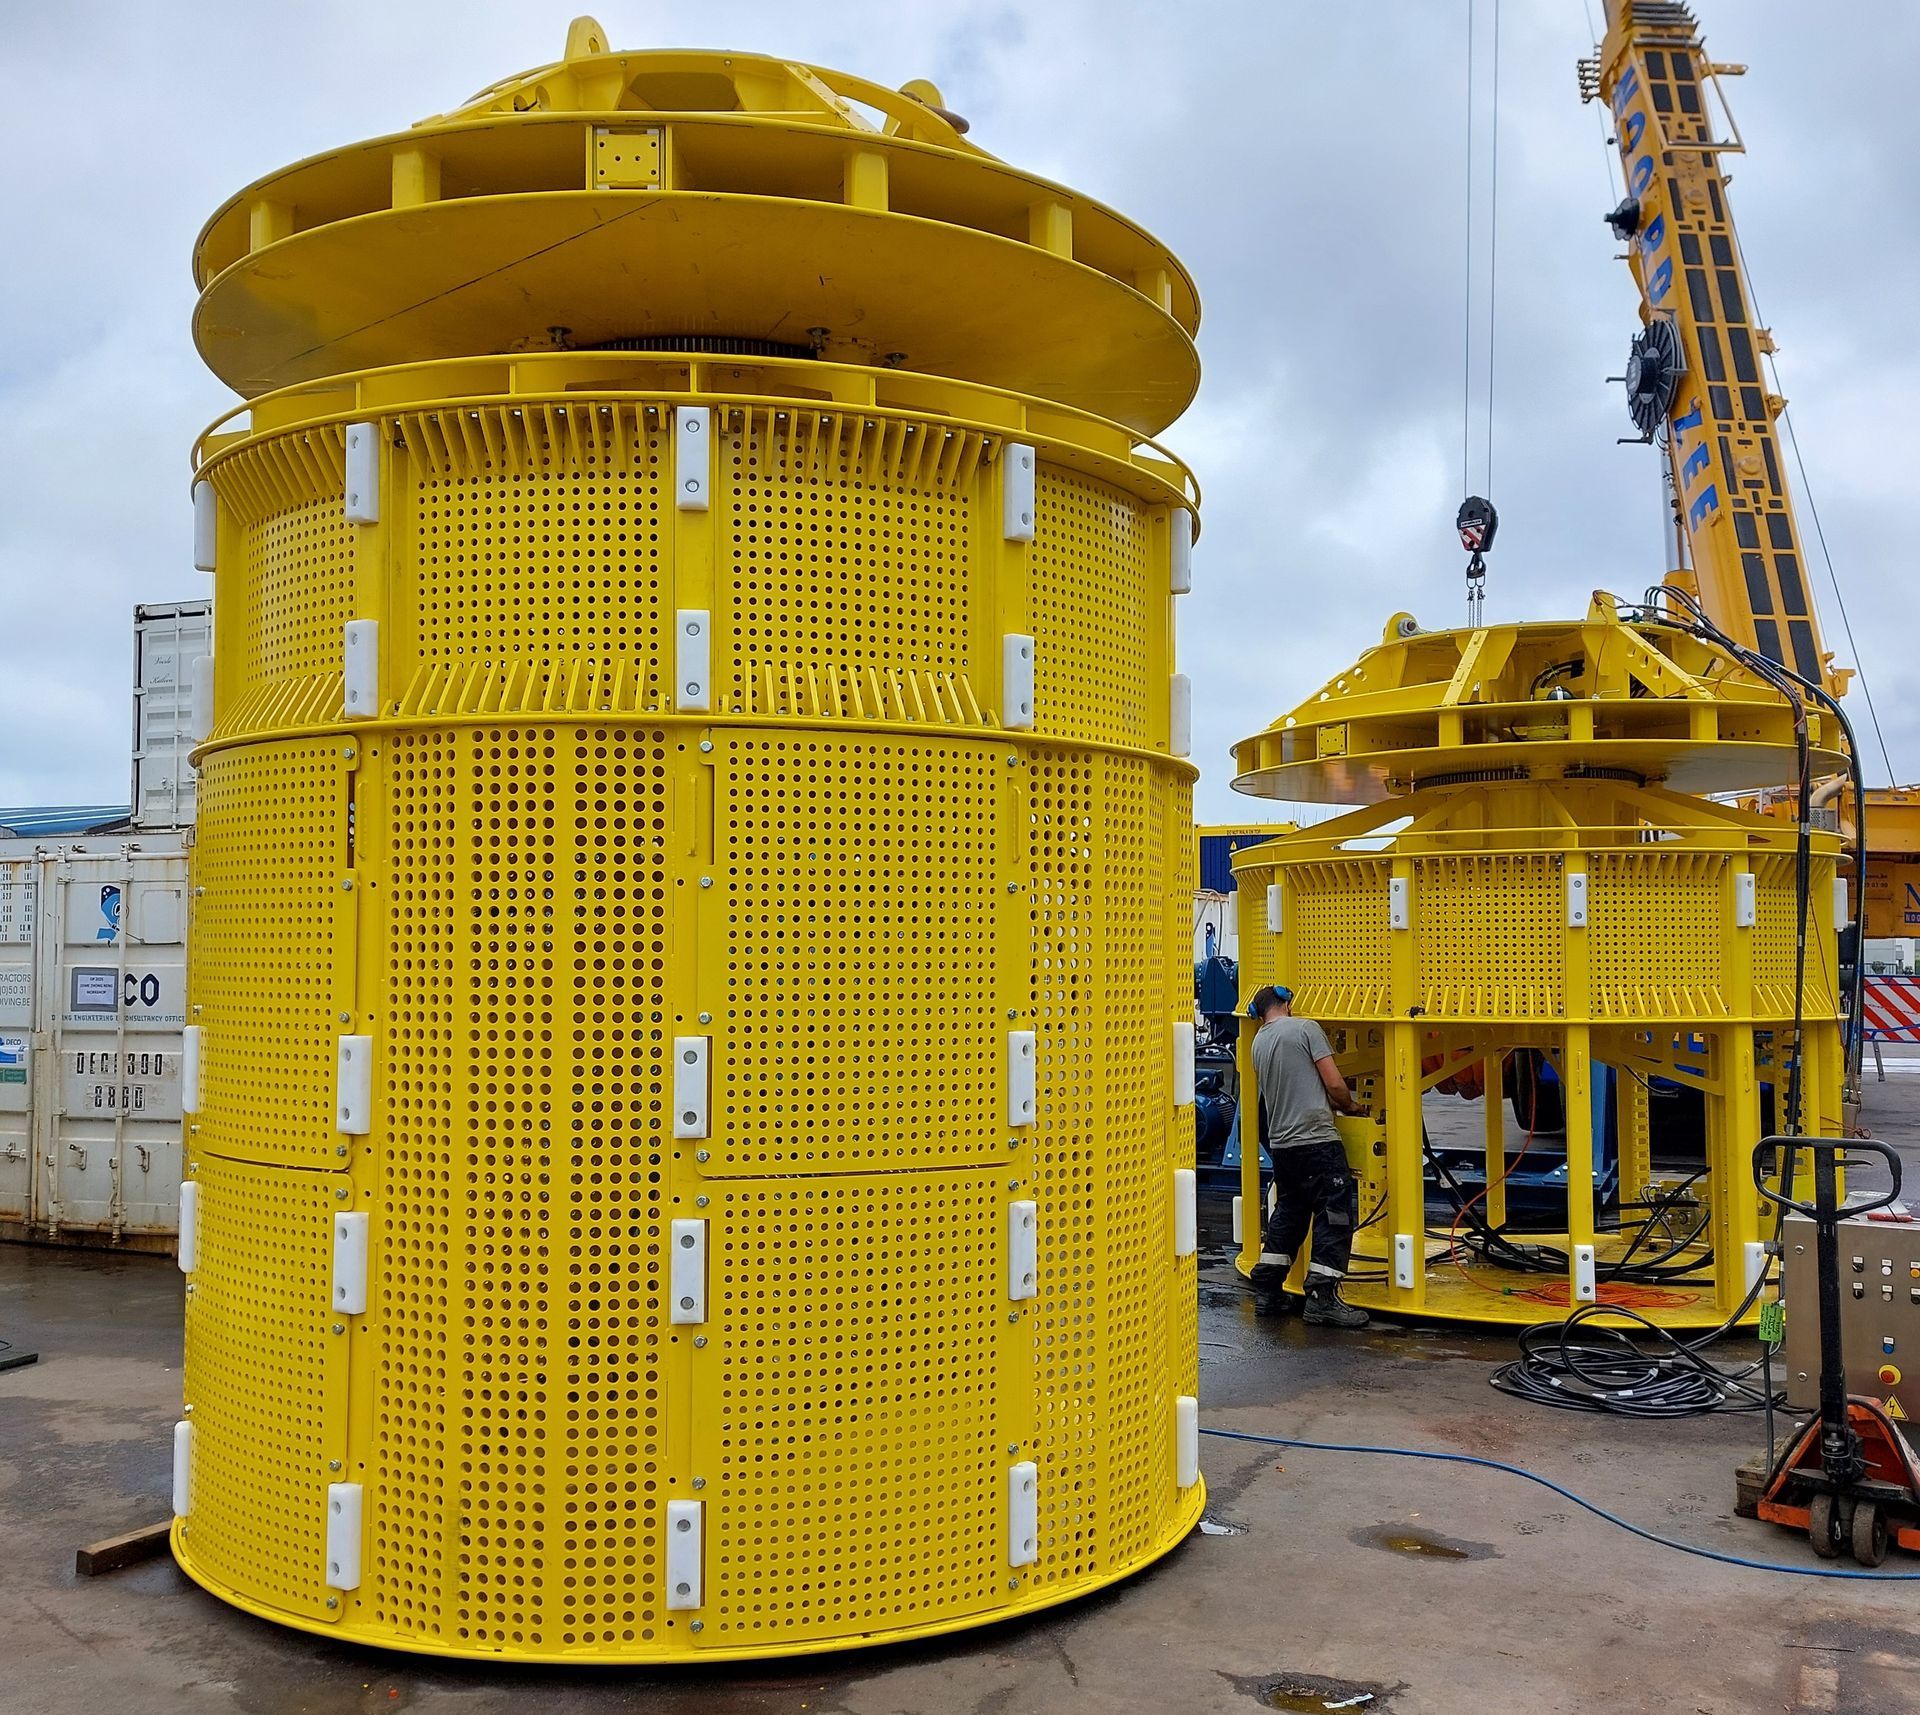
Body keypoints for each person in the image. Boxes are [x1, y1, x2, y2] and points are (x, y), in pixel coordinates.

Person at [1244, 984, 1371, 1328]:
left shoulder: (1259, 1042)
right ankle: (1322, 1298)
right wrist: (1352, 1106)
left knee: (1291, 1212)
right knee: (1335, 1214)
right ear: (1286, 1003)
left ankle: (1269, 1290)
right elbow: (1332, 1084)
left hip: (1283, 1146)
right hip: (1317, 1141)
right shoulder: (1305, 1028)